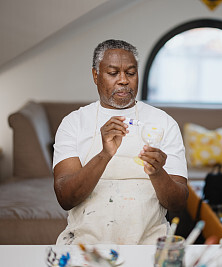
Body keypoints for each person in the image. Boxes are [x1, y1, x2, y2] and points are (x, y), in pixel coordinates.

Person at [53, 39, 188, 245]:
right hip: (85, 245)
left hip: (150, 244)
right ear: (95, 75)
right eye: (113, 73)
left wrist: (157, 172)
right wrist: (104, 154)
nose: (124, 80)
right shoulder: (74, 122)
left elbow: (178, 203)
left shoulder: (164, 122)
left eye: (131, 73)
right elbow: (65, 197)